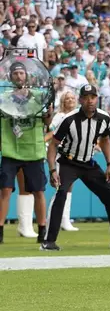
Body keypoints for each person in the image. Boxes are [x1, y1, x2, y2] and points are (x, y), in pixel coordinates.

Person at [41, 84, 110, 251]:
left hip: (88, 163)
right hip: (68, 162)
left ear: (97, 99)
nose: (89, 101)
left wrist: (109, 165)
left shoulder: (104, 118)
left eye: (92, 97)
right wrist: (52, 169)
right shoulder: (69, 119)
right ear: (80, 100)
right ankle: (49, 241)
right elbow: (53, 145)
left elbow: (105, 140)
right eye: (86, 98)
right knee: (61, 194)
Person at [0, 62, 52, 244]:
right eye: (16, 74)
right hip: (10, 150)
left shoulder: (39, 96)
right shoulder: (4, 98)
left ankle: (43, 230)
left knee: (38, 191)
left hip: (34, 151)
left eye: (22, 73)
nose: (19, 76)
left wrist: (50, 111)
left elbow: (47, 121)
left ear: (27, 76)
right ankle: (0, 232)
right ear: (11, 77)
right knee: (5, 190)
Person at [44, 90, 80, 232]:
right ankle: (53, 219)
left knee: (68, 187)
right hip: (60, 155)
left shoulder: (78, 115)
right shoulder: (59, 116)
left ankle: (64, 220)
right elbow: (51, 133)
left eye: (72, 98)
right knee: (62, 187)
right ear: (63, 101)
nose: (70, 100)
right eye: (67, 98)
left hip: (72, 155)